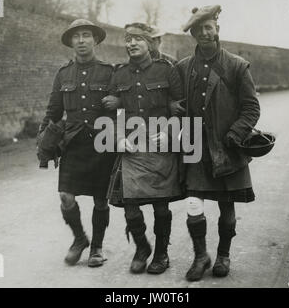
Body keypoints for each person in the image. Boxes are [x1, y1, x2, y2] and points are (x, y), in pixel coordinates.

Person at [172, 5, 261, 281]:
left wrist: (235, 134)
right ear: (194, 34)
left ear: (218, 30)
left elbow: (251, 108)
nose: (204, 33)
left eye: (208, 27)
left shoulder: (236, 65)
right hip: (195, 149)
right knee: (193, 205)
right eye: (198, 29)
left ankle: (223, 254)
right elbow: (176, 103)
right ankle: (201, 256)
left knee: (227, 207)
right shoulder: (183, 67)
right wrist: (174, 106)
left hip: (226, 149)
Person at [38, 18, 119, 268]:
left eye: (86, 35)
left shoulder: (109, 72)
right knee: (66, 196)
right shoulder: (63, 74)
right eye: (77, 36)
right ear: (71, 42)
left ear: (95, 40)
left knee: (100, 200)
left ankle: (97, 247)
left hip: (102, 143)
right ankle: (80, 239)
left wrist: (119, 103)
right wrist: (43, 141)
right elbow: (53, 111)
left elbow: (123, 105)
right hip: (73, 143)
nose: (82, 40)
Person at [107, 22, 184, 275]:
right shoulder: (119, 74)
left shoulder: (167, 70)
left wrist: (169, 133)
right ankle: (142, 248)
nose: (131, 43)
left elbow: (181, 107)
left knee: (161, 206)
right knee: (130, 206)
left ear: (149, 43)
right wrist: (118, 137)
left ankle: (162, 253)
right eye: (128, 39)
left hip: (160, 146)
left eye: (137, 39)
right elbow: (115, 112)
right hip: (131, 146)